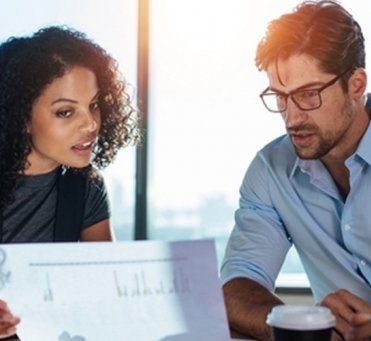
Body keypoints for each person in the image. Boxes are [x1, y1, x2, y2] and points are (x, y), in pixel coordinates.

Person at [220, 1, 371, 341]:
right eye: (280, 97)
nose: (291, 117)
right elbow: (237, 288)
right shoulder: (270, 171)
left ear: (356, 84)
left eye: (309, 95)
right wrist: (307, 326)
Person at [0, 26, 140, 338]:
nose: (90, 123)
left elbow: (107, 291)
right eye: (65, 112)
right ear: (21, 117)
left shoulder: (85, 187)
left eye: (93, 104)